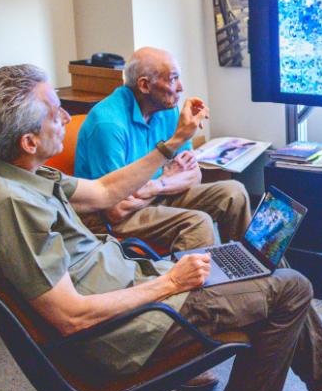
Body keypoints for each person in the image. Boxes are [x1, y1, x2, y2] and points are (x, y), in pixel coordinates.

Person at [0, 64, 322, 391]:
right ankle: (313, 390)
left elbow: (106, 192)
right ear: (29, 139)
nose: (65, 117)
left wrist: (173, 144)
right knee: (292, 288)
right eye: (55, 111)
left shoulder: (16, 173)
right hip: (130, 328)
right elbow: (71, 318)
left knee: (266, 276)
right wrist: (171, 283)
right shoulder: (12, 207)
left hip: (135, 286)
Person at [75, 47, 250, 253]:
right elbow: (116, 210)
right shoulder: (107, 124)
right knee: (197, 223)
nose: (181, 87)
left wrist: (156, 186)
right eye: (173, 79)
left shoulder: (167, 109)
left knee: (234, 193)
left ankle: (255, 272)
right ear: (145, 85)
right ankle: (197, 285)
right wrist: (163, 182)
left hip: (154, 196)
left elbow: (194, 175)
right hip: (111, 218)